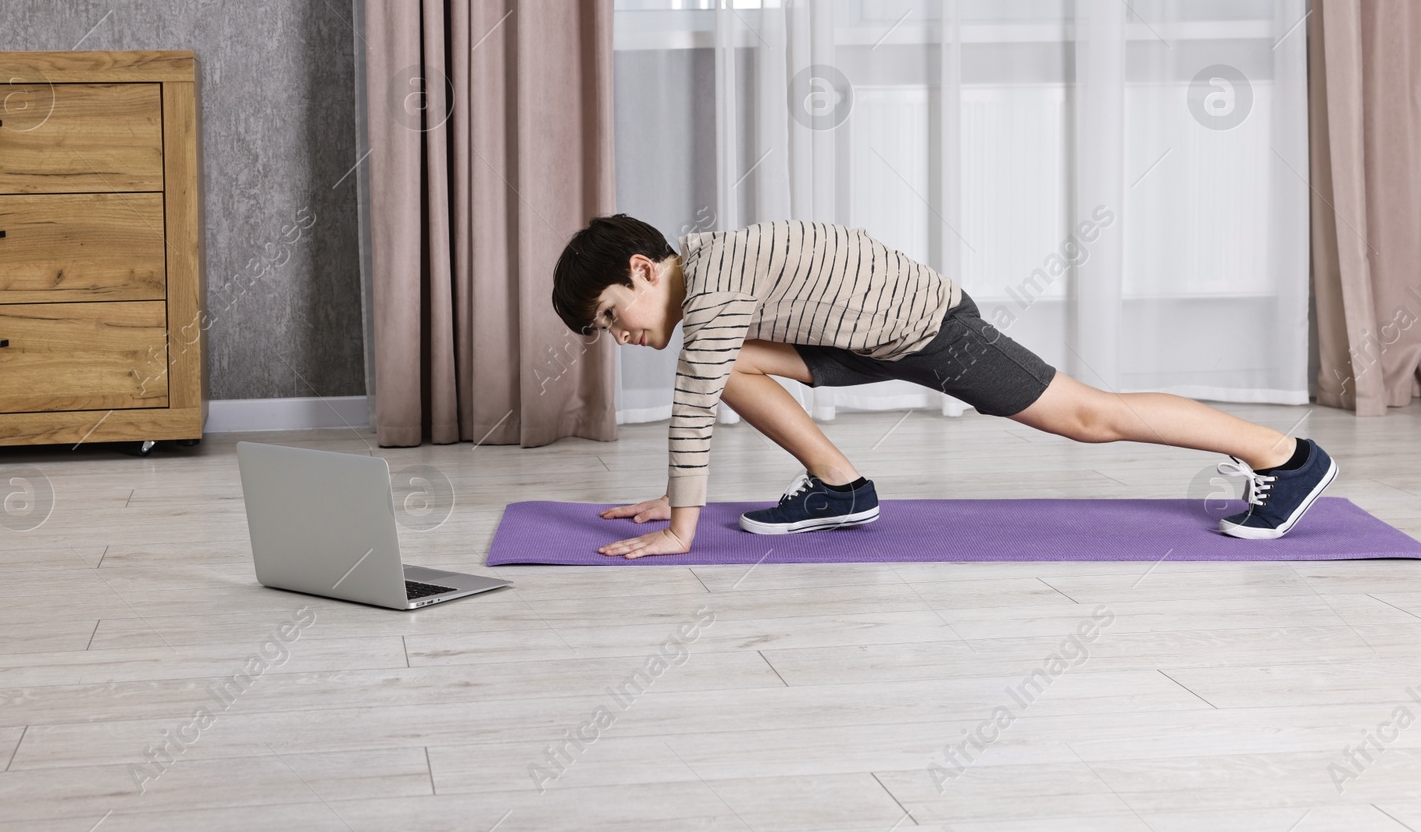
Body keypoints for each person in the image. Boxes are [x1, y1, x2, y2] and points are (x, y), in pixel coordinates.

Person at [550, 215, 1338, 560]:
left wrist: (680, 527)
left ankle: (1285, 455)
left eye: (614, 315)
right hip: (865, 331)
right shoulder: (710, 270)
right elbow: (708, 378)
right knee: (728, 367)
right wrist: (671, 491)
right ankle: (840, 488)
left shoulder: (712, 288)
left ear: (645, 270)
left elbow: (690, 399)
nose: (622, 337)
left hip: (929, 332)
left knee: (1091, 417)